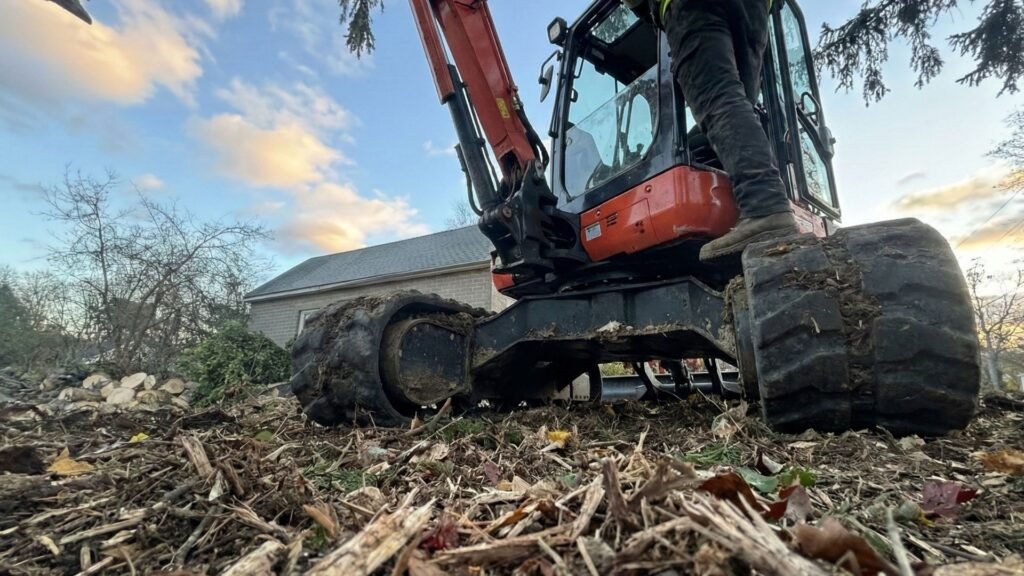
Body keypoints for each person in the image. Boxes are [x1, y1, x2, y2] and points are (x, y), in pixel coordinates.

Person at [625, 0, 798, 261]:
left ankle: (764, 207)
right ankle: (763, 201)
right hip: (757, 10)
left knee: (718, 100)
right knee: (737, 103)